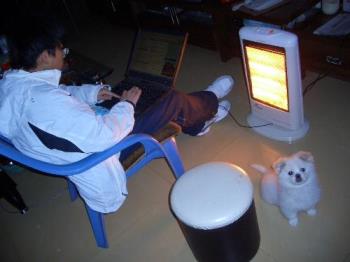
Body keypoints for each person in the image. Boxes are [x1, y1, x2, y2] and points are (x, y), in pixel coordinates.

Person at [0, 15, 233, 213]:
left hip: (75, 141)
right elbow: (104, 135)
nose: (64, 53)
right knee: (171, 99)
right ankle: (209, 102)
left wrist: (94, 93)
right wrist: (127, 105)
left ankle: (198, 124)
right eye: (61, 49)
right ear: (44, 57)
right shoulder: (46, 104)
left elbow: (59, 94)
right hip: (103, 155)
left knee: (150, 99)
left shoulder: (15, 87)